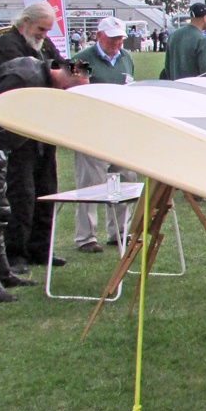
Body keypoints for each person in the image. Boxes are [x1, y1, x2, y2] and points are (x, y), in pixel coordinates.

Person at [0, 57, 90, 301]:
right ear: (62, 73)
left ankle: (3, 275)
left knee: (1, 213)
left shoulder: (43, 79)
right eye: (68, 89)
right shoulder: (25, 78)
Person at [0, 3, 64, 273]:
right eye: (40, 29)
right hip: (17, 131)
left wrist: (73, 72)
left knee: (47, 190)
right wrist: (55, 74)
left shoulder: (43, 45)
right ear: (25, 23)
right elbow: (25, 79)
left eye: (47, 30)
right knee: (21, 192)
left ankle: (41, 248)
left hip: (43, 129)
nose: (44, 34)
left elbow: (67, 68)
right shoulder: (6, 45)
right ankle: (16, 252)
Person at [72, 17, 137, 254]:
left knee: (126, 179)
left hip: (120, 130)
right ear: (99, 36)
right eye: (113, 38)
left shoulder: (127, 58)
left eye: (120, 38)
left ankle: (119, 231)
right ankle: (85, 237)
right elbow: (73, 92)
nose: (118, 42)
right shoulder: (81, 59)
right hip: (91, 130)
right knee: (90, 184)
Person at [163, 2, 206, 80]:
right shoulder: (202, 40)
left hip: (175, 86)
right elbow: (205, 71)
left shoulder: (173, 35)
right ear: (205, 18)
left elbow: (167, 66)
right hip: (193, 88)